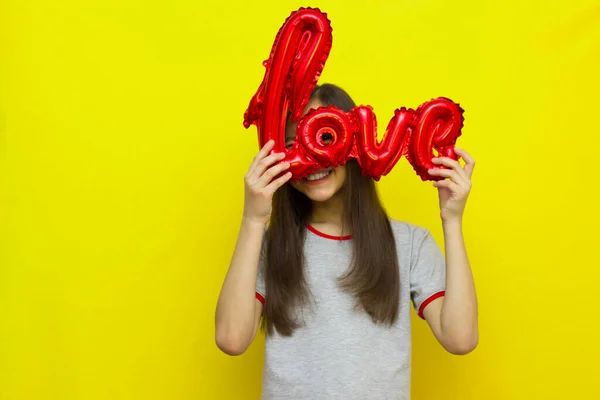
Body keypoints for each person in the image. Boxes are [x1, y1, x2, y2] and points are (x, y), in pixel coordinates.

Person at [215, 84, 478, 399]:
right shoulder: (270, 246)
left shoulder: (408, 244)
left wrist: (452, 221)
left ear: (356, 141)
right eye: (292, 144)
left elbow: (460, 338)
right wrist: (253, 220)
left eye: (325, 136)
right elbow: (231, 338)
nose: (312, 156)